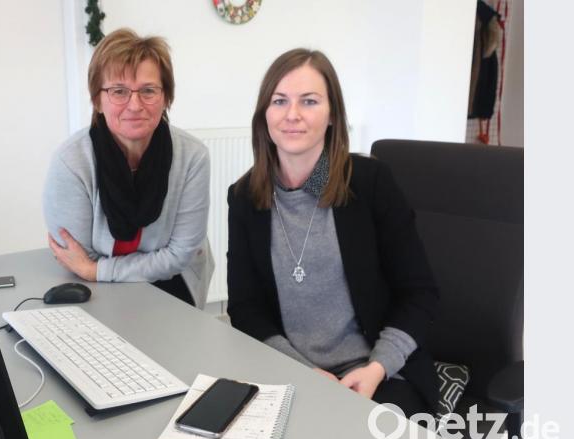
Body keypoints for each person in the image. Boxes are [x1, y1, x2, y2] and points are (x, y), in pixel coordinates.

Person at [226, 48, 439, 417]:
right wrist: (305, 373)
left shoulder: (370, 183)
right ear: (264, 115)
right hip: (289, 369)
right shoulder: (245, 197)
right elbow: (245, 308)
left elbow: (419, 293)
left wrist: (377, 368)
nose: (292, 114)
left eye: (309, 101)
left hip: (379, 372)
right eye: (280, 101)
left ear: (332, 116)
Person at [43, 28, 214, 309]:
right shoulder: (70, 163)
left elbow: (180, 255)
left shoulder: (193, 157)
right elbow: (76, 258)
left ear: (166, 98)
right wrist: (93, 271)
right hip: (95, 289)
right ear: (97, 100)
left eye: (148, 91)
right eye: (119, 91)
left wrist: (97, 269)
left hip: (173, 282)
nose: (135, 105)